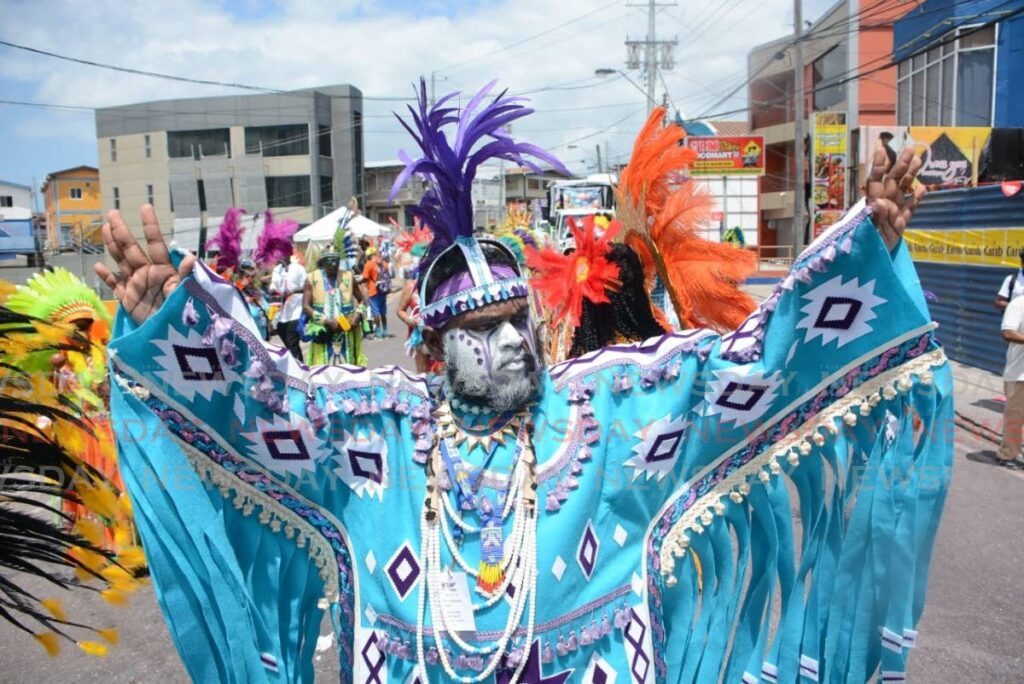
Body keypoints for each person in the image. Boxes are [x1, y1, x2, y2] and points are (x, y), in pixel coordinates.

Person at [99, 81, 950, 683]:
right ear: (431, 353)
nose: (510, 343)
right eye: (478, 332)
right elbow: (266, 403)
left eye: (515, 323)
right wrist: (169, 318)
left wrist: (867, 242)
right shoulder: (376, 439)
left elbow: (746, 367)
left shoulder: (611, 415)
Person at [303, 247, 366, 366]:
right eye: (330, 260)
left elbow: (362, 300)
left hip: (347, 331)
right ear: (323, 262)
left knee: (348, 368)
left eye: (336, 260)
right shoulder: (312, 278)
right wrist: (326, 321)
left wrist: (357, 314)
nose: (333, 263)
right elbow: (306, 307)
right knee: (323, 370)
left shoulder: (348, 276)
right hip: (323, 331)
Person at [998, 294, 1024, 468]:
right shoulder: (1018, 304)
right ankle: (1008, 455)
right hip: (1020, 374)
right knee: (1015, 417)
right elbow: (1008, 332)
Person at [270, 254, 306, 360]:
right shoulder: (277, 269)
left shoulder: (298, 268)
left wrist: (293, 291)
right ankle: (295, 365)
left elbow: (307, 288)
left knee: (292, 342)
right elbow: (273, 287)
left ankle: (300, 369)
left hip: (296, 312)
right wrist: (275, 292)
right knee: (287, 343)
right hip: (282, 314)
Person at [361, 246, 390, 338]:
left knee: (375, 312)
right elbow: (388, 270)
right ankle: (385, 331)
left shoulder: (369, 264)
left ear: (368, 256)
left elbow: (365, 277)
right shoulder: (381, 263)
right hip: (383, 290)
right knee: (383, 312)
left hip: (373, 291)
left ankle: (378, 332)